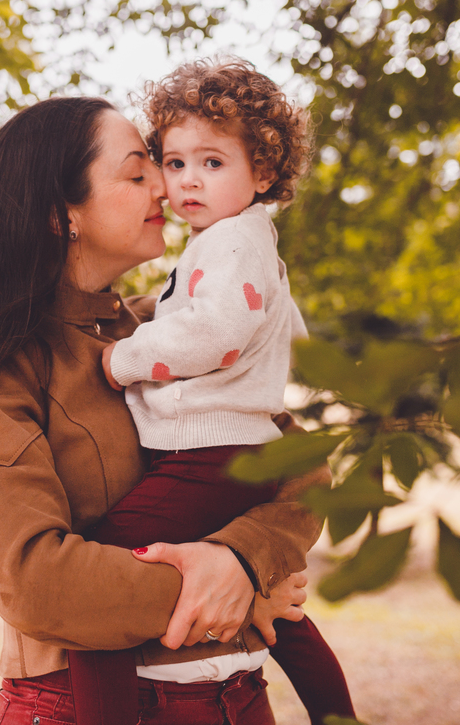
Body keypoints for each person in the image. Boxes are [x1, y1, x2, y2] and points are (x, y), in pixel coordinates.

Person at [0, 95, 330, 724]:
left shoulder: (162, 334)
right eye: (140, 172)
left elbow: (302, 467)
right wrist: (230, 586)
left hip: (240, 702)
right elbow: (35, 584)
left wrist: (245, 556)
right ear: (62, 214)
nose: (167, 187)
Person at [75, 59, 353, 725]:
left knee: (96, 586)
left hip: (210, 454)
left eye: (212, 162)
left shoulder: (232, 242)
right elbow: (283, 334)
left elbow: (217, 334)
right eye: (174, 164)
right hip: (232, 450)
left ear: (264, 173)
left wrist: (123, 360)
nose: (188, 180)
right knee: (276, 609)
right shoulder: (238, 243)